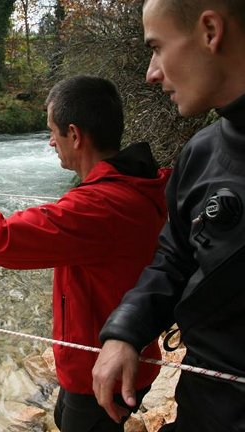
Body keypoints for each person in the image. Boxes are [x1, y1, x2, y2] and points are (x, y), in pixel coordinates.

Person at [0, 75, 171, 431]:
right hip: (130, 360)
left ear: (75, 135)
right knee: (61, 416)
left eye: (52, 131)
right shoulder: (140, 184)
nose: (49, 141)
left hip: (104, 376)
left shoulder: (98, 207)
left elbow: (3, 239)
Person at [92, 1, 245, 431]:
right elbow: (174, 258)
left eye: (157, 48)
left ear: (210, 30)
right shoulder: (200, 152)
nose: (152, 73)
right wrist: (126, 331)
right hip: (202, 406)